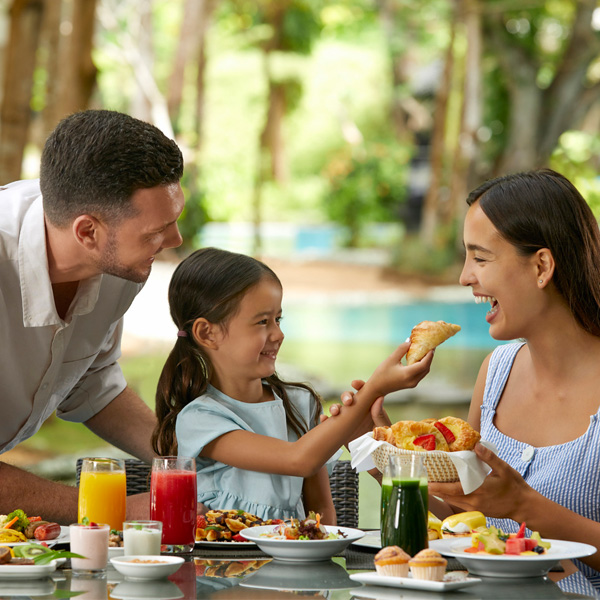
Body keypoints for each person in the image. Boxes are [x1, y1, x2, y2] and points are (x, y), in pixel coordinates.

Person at [151, 247, 433, 523]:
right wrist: (374, 388)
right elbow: (299, 460)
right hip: (225, 564)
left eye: (278, 318)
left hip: (297, 564)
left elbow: (320, 510)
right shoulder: (199, 419)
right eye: (262, 321)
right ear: (207, 333)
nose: (278, 333)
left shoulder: (298, 404)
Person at [0, 109, 185, 523]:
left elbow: (90, 382)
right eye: (156, 231)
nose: (175, 240)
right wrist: (108, 509)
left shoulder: (120, 261)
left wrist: (185, 464)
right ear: (87, 232)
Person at [425, 168, 600, 581]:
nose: (465, 276)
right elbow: (466, 520)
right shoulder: (496, 372)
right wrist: (394, 465)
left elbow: (509, 505)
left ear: (542, 265)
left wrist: (523, 505)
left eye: (480, 257)